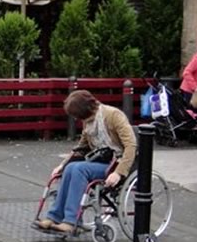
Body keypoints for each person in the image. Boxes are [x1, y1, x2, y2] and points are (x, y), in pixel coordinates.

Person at [35, 90, 136, 233]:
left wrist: (119, 173)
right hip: (101, 160)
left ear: (85, 111)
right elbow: (80, 148)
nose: (77, 120)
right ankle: (55, 217)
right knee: (70, 168)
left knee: (79, 169)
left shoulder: (113, 115)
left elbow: (131, 145)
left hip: (116, 164)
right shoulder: (88, 121)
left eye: (77, 116)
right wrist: (62, 165)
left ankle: (71, 221)